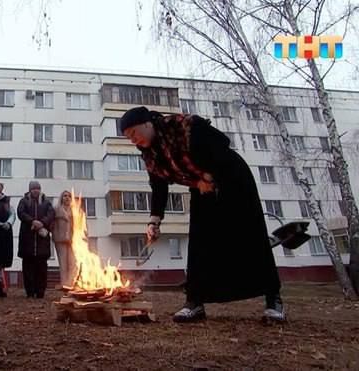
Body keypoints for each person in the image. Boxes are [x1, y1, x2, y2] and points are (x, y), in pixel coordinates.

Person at [118, 106, 285, 322]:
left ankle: (273, 301)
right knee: (200, 242)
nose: (132, 140)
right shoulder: (151, 155)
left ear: (147, 123)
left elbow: (221, 143)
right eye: (128, 138)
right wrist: (154, 221)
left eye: (133, 133)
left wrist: (208, 175)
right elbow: (159, 187)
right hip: (201, 188)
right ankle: (195, 303)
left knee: (249, 236)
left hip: (233, 180)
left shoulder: (182, 126)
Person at [17, 181, 55, 299]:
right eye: (33, 189)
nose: (35, 191)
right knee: (28, 268)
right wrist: (32, 221)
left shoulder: (46, 202)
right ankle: (30, 292)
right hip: (27, 240)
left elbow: (51, 214)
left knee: (41, 269)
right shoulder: (24, 201)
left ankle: (40, 292)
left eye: (37, 188)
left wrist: (42, 223)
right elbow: (21, 213)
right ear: (30, 190)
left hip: (42, 243)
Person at [52, 190, 76, 288]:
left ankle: (71, 284)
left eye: (69, 196)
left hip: (72, 239)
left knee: (72, 263)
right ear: (61, 197)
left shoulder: (75, 210)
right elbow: (52, 224)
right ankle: (64, 284)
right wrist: (54, 235)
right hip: (60, 239)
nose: (67, 197)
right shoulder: (56, 209)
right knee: (63, 263)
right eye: (65, 196)